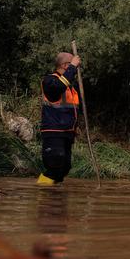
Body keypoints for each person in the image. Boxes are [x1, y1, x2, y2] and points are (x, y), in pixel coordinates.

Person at [37, 52, 81, 186]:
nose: (76, 69)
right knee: (55, 164)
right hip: (54, 131)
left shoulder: (70, 87)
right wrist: (73, 67)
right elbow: (57, 88)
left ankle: (55, 199)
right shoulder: (50, 81)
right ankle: (42, 191)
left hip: (67, 133)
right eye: (73, 65)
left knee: (64, 168)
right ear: (65, 65)